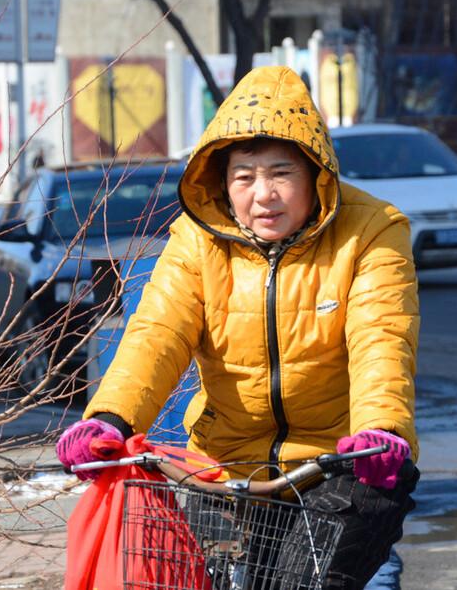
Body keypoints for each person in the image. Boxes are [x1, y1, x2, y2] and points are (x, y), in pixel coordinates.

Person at [56, 65, 420, 589]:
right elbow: (158, 331)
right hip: (225, 470)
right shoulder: (197, 240)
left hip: (340, 468)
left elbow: (382, 338)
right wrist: (111, 419)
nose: (263, 194)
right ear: (223, 183)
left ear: (316, 175)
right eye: (244, 176)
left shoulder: (371, 231)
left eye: (281, 173)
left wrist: (381, 431)